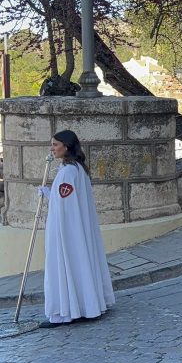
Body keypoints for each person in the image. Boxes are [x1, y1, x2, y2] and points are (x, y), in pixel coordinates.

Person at [37, 130, 115, 328]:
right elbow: (68, 200)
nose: (52, 149)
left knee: (65, 265)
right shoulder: (78, 168)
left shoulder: (68, 172)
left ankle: (66, 311)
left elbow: (65, 206)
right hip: (76, 229)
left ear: (66, 147)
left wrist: (50, 195)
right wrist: (50, 194)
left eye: (55, 145)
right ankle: (85, 305)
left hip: (67, 232)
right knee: (80, 263)